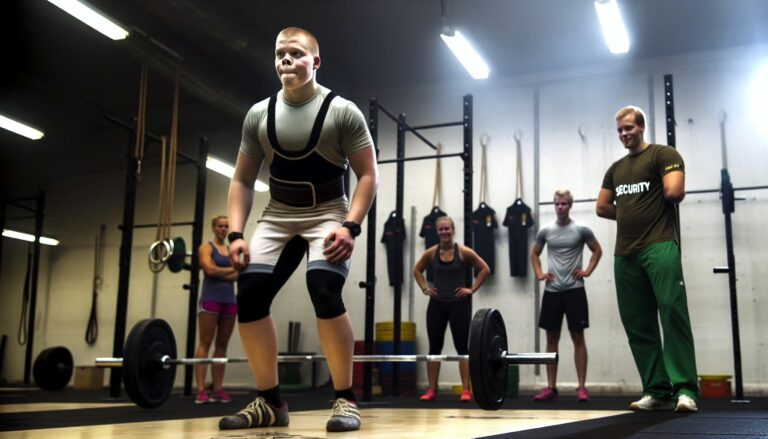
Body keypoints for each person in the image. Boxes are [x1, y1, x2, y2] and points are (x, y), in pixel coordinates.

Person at [219, 27, 378, 432]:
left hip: (328, 213)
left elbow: (368, 175)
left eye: (296, 53)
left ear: (316, 61)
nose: (286, 60)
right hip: (278, 215)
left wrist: (350, 227)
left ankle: (346, 399)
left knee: (323, 288)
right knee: (250, 294)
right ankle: (270, 402)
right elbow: (241, 180)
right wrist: (235, 234)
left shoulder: (342, 111)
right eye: (279, 54)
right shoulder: (259, 114)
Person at [596, 105, 698, 413]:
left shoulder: (663, 155)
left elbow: (675, 191)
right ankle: (656, 390)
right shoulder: (616, 169)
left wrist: (644, 205)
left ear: (641, 127)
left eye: (628, 128)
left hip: (660, 245)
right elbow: (602, 207)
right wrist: (631, 210)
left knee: (672, 314)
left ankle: (685, 390)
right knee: (638, 324)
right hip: (625, 253)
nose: (624, 134)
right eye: (620, 130)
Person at [530, 190, 602, 402]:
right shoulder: (546, 230)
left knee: (578, 337)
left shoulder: (581, 229)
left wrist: (587, 271)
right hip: (552, 291)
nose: (560, 207)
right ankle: (551, 387)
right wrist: (539, 273)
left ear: (570, 205)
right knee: (551, 338)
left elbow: (597, 250)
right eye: (557, 204)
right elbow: (534, 254)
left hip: (574, 290)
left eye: (563, 204)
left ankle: (582, 387)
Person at [413, 216, 490, 402]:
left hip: (458, 305)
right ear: (437, 232)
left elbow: (484, 269)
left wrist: (471, 289)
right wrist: (425, 289)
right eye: (441, 229)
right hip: (437, 305)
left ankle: (466, 390)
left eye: (447, 229)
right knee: (434, 348)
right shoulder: (431, 253)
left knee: (462, 347)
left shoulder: (463, 252)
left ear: (453, 230)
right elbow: (417, 270)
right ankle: (432, 389)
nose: (444, 232)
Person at [194, 215, 238, 404]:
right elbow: (209, 270)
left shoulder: (230, 250)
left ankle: (217, 389)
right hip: (210, 299)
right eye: (220, 226)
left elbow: (238, 274)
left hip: (229, 300)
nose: (223, 229)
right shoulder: (206, 247)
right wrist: (231, 269)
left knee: (222, 345)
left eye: (226, 226)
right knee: (205, 342)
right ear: (213, 228)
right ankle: (201, 390)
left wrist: (220, 271)